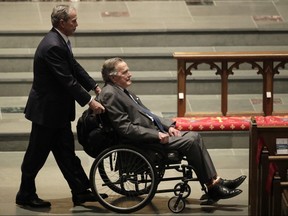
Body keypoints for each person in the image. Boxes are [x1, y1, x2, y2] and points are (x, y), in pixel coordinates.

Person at [97, 57, 246, 202]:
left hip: (152, 134)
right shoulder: (110, 94)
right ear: (113, 77)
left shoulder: (121, 90)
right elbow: (125, 128)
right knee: (191, 141)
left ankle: (215, 181)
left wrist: (169, 126)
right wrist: (156, 134)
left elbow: (148, 114)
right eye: (125, 72)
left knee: (195, 137)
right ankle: (212, 186)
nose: (130, 74)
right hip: (143, 141)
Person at [16, 5, 106, 208]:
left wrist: (94, 86)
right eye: (73, 20)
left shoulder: (60, 41)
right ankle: (25, 194)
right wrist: (90, 101)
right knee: (36, 155)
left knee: (66, 153)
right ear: (61, 23)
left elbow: (73, 67)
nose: (77, 24)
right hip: (46, 112)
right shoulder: (52, 45)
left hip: (57, 112)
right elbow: (67, 80)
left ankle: (80, 192)